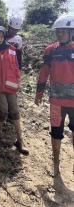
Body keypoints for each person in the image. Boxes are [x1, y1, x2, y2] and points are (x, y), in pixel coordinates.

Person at [35, 14, 74, 176]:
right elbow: (44, 72)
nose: (60, 35)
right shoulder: (50, 50)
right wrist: (39, 92)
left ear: (71, 32)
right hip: (56, 101)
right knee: (56, 132)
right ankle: (56, 165)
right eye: (58, 32)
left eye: (63, 32)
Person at [0, 26, 29, 155]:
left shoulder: (12, 49)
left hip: (10, 85)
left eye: (1, 37)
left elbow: (16, 67)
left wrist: (18, 81)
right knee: (3, 110)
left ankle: (20, 141)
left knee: (15, 112)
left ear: (4, 37)